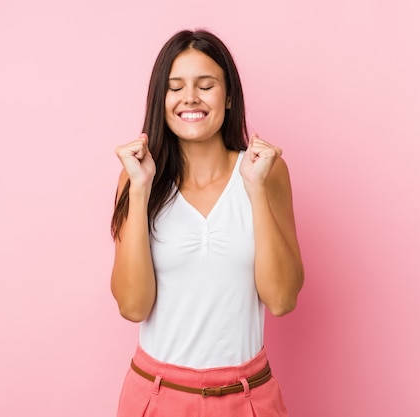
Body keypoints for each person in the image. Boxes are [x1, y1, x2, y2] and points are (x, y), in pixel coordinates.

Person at [110, 29, 304, 416]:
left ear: (229, 96)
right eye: (175, 87)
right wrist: (140, 187)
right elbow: (133, 306)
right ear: (160, 100)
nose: (191, 98)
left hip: (248, 397)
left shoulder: (266, 172)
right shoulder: (137, 178)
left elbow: (282, 299)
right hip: (157, 395)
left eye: (206, 85)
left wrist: (256, 189)